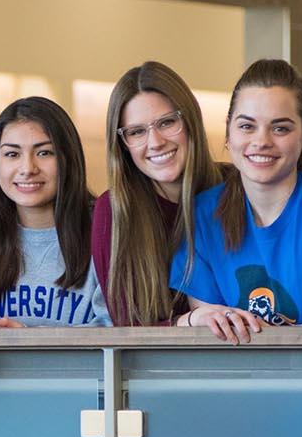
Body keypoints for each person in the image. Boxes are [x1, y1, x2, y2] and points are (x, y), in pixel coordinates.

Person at [169, 59, 302, 343]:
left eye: (280, 128)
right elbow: (212, 336)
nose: (261, 141)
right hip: (236, 381)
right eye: (247, 126)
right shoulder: (202, 215)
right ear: (229, 131)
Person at [92, 61, 222, 326]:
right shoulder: (114, 210)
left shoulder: (234, 188)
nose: (155, 142)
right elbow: (128, 330)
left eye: (166, 122)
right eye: (137, 132)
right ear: (123, 145)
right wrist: (190, 322)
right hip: (159, 366)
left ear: (190, 121)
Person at [0, 97, 110, 328]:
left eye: (44, 153)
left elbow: (116, 330)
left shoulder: (105, 229)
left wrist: (31, 342)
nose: (28, 168)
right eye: (12, 154)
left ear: (68, 159)